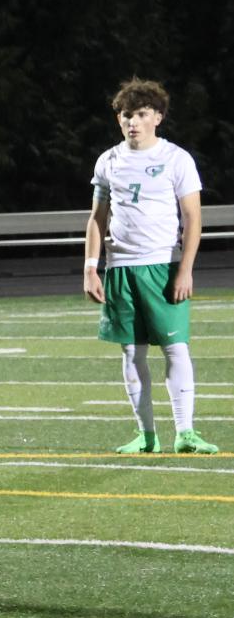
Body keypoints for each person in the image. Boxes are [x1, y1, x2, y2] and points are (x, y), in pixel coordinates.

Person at [86, 78, 217, 454]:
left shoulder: (176, 159)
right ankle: (146, 436)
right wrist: (90, 267)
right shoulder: (108, 161)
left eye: (142, 114)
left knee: (176, 349)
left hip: (162, 266)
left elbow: (192, 217)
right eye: (128, 115)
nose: (134, 122)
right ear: (119, 119)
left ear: (157, 117)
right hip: (120, 268)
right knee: (131, 352)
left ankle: (185, 433)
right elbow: (97, 218)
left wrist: (187, 269)